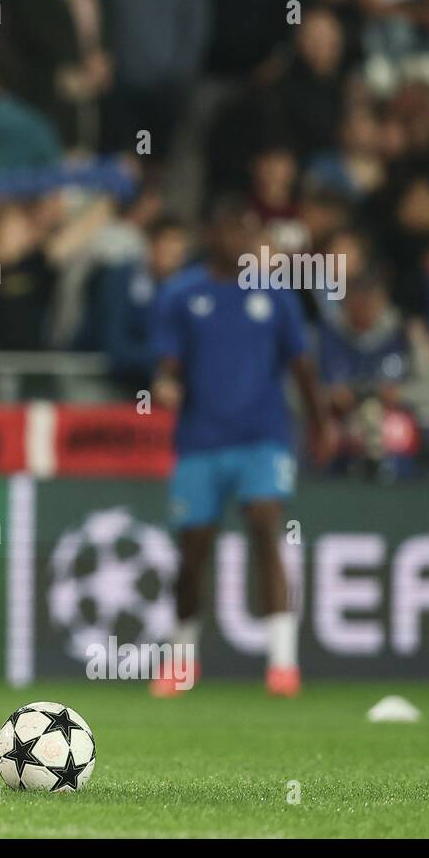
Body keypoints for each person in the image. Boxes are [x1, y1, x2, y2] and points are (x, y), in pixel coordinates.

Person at [148, 197, 333, 698]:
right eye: (227, 229)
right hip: (200, 441)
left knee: (264, 526)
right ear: (211, 233)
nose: (236, 239)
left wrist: (321, 422)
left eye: (244, 231)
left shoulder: (276, 296)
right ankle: (182, 660)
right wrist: (164, 384)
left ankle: (282, 663)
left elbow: (301, 366)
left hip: (263, 437)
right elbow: (168, 363)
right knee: (192, 551)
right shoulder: (181, 294)